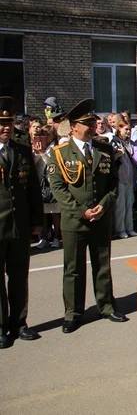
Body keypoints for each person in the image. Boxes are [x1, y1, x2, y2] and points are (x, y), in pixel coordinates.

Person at [47, 99, 128, 333]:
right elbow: (58, 188)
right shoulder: (60, 153)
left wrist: (103, 206)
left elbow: (113, 184)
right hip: (74, 220)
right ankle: (73, 312)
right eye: (87, 123)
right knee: (73, 268)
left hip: (100, 218)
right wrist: (81, 211)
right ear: (73, 127)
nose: (93, 126)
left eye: (93, 122)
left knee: (102, 264)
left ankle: (106, 306)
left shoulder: (105, 149)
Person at [0, 97, 43, 348]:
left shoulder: (22, 150)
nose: (5, 127)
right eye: (1, 123)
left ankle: (19, 323)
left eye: (8, 122)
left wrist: (37, 221)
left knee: (18, 276)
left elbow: (33, 189)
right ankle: (1, 327)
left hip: (19, 224)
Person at [111, 116, 137, 239]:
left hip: (130, 177)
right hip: (120, 177)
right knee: (120, 206)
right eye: (126, 129)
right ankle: (120, 229)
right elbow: (111, 158)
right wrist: (117, 154)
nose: (128, 131)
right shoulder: (114, 141)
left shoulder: (129, 142)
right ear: (119, 129)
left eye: (129, 129)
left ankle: (129, 228)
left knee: (129, 204)